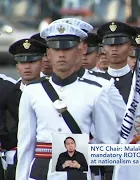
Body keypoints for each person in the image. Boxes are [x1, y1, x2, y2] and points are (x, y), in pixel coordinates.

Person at [16, 22, 119, 180]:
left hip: (79, 171)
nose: (61, 55)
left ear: (78, 53)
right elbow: (26, 145)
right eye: (56, 49)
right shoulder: (32, 92)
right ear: (48, 54)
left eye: (67, 49)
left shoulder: (95, 92)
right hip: (41, 172)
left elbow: (108, 144)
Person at [5, 38, 46, 180]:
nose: (27, 67)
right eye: (22, 62)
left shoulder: (53, 92)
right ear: (17, 67)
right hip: (13, 161)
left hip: (44, 161)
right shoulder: (8, 93)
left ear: (42, 63)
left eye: (32, 61)